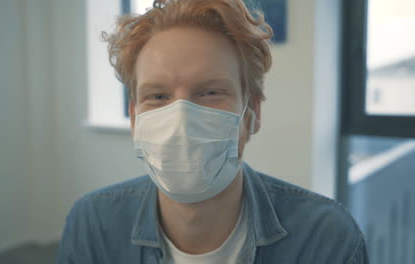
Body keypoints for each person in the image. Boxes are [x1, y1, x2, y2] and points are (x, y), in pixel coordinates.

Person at [57, 0, 368, 263]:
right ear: (135, 118)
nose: (181, 121)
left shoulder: (325, 239)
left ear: (252, 114)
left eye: (210, 93)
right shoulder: (92, 227)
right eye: (158, 96)